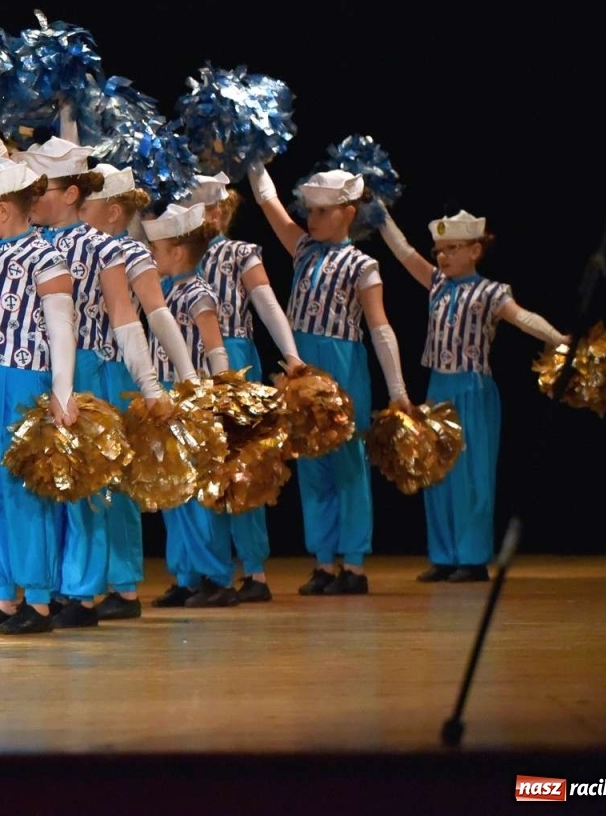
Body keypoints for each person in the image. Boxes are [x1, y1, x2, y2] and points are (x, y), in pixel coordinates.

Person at [22, 138, 178, 628]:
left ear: (70, 194)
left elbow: (127, 319)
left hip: (91, 368)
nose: (34, 198)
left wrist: (152, 387)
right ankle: (55, 585)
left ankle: (88, 591)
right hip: (35, 368)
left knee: (91, 483)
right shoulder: (29, 241)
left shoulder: (103, 246)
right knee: (48, 483)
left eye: (43, 188)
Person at [246, 162, 414, 595]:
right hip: (303, 363)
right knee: (312, 464)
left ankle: (353, 564)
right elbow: (269, 203)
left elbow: (380, 328)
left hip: (343, 364)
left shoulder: (363, 265)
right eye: (311, 210)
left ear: (348, 214)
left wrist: (397, 392)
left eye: (322, 211)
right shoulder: (302, 249)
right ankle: (323, 561)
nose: (311, 218)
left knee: (347, 465)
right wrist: (252, 156)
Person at [378, 207, 569, 582]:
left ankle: (473, 557)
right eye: (439, 251)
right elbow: (402, 251)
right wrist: (379, 211)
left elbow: (522, 317)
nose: (443, 257)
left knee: (473, 477)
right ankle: (444, 556)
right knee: (436, 475)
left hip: (472, 389)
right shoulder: (435, 283)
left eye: (452, 248)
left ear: (475, 251)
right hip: (437, 391)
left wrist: (559, 339)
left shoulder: (491, 292)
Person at [0, 150, 79, 637]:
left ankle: (39, 600)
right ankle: (3, 597)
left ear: (3, 210)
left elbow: (61, 326)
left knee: (25, 488)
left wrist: (63, 389)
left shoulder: (46, 254)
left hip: (22, 378)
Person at [76, 163, 195, 618]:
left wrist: (183, 377)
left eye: (88, 204)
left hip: (113, 369)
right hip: (79, 369)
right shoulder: (74, 247)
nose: (80, 210)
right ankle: (86, 581)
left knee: (115, 478)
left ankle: (123, 586)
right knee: (83, 476)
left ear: (113, 212)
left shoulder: (132, 253)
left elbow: (158, 314)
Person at [185, 172, 305, 603]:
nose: (204, 216)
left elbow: (266, 302)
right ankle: (207, 571)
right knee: (203, 469)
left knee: (241, 464)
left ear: (222, 211)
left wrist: (290, 353)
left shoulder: (238, 253)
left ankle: (253, 571)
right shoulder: (178, 255)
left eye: (210, 208)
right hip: (189, 363)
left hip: (234, 360)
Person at [141, 202, 239, 608]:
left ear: (178, 252)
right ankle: (185, 575)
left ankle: (216, 576)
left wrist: (221, 392)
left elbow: (215, 347)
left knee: (199, 493)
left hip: (191, 399)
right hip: (165, 400)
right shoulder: (164, 291)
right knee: (173, 489)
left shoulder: (198, 293)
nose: (152, 257)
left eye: (158, 250)